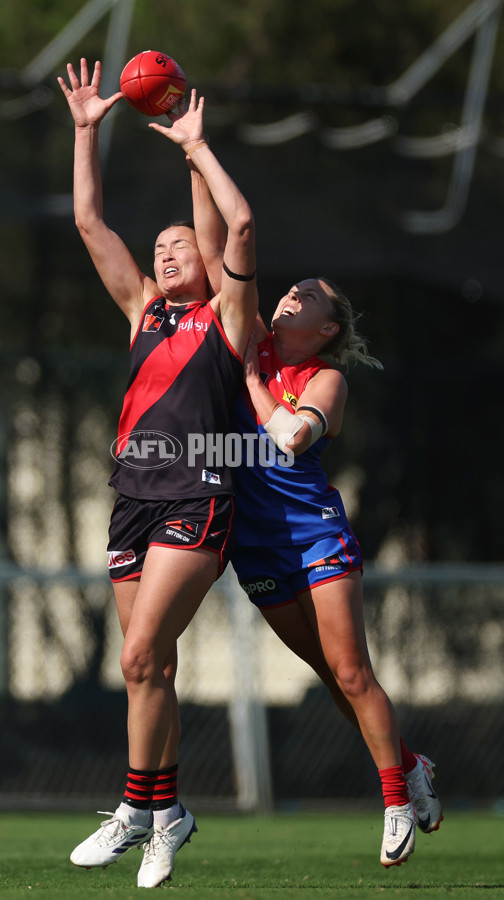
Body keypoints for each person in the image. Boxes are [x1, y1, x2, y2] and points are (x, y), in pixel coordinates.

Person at [57, 59, 257, 888]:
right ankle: (169, 812)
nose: (169, 249)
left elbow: (236, 228)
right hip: (133, 499)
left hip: (199, 495)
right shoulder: (143, 307)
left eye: (182, 243)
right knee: (154, 669)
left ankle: (139, 810)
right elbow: (89, 221)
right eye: (161, 245)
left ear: (203, 264)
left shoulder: (228, 316)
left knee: (140, 658)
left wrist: (197, 150)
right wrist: (85, 131)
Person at [230, 284, 443, 867]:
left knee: (352, 672)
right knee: (329, 672)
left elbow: (292, 438)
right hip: (256, 548)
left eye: (312, 296)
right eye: (294, 287)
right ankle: (408, 762)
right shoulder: (250, 335)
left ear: (327, 328)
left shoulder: (327, 378)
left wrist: (250, 385)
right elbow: (231, 244)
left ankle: (396, 800)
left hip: (315, 537)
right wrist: (201, 185)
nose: (294, 292)